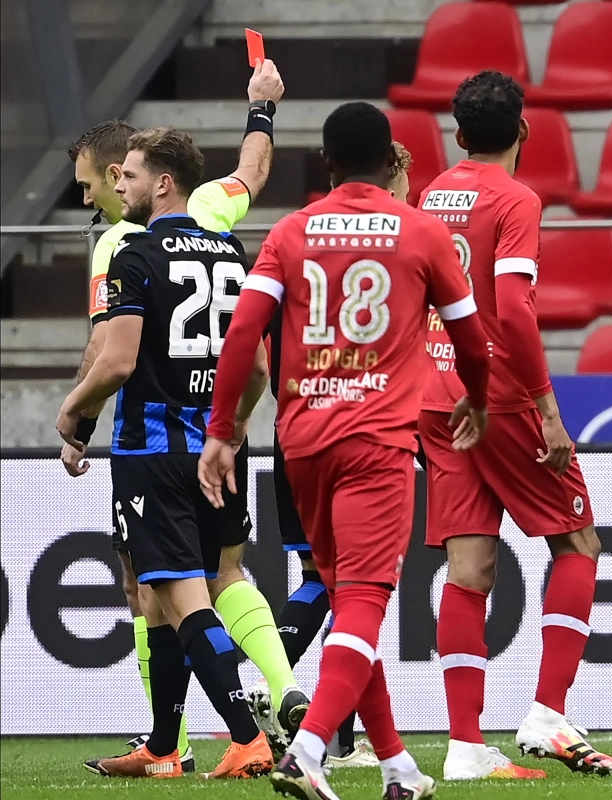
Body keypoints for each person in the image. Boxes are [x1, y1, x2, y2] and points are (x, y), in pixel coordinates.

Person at [198, 100, 492, 800]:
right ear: (392, 161)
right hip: (378, 442)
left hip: (301, 444)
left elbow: (243, 336)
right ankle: (306, 751)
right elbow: (471, 333)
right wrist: (476, 400)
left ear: (325, 162)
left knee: (342, 597)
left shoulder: (291, 233)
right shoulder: (420, 232)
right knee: (363, 602)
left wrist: (221, 431)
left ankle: (397, 767)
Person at [61, 60, 310, 765]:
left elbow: (107, 353)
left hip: (154, 444)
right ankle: (245, 705)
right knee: (226, 572)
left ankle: (230, 736)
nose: (99, 194)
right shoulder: (219, 225)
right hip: (221, 444)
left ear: (137, 178)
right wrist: (261, 107)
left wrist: (76, 422)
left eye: (102, 181)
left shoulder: (122, 245)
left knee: (155, 590)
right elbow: (253, 172)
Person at [418, 70, 612, 782]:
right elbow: (514, 311)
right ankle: (546, 710)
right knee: (580, 543)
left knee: (468, 568)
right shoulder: (516, 199)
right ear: (524, 131)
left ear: (460, 135)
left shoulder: (432, 193)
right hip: (498, 395)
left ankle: (466, 744)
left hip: (433, 392)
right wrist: (546, 408)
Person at [255, 142, 417, 770]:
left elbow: (260, 338)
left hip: (295, 430)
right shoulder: (396, 250)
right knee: (349, 588)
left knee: (324, 582)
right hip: (361, 432)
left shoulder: (295, 242)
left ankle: (354, 743)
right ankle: (277, 686)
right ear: (388, 176)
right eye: (402, 183)